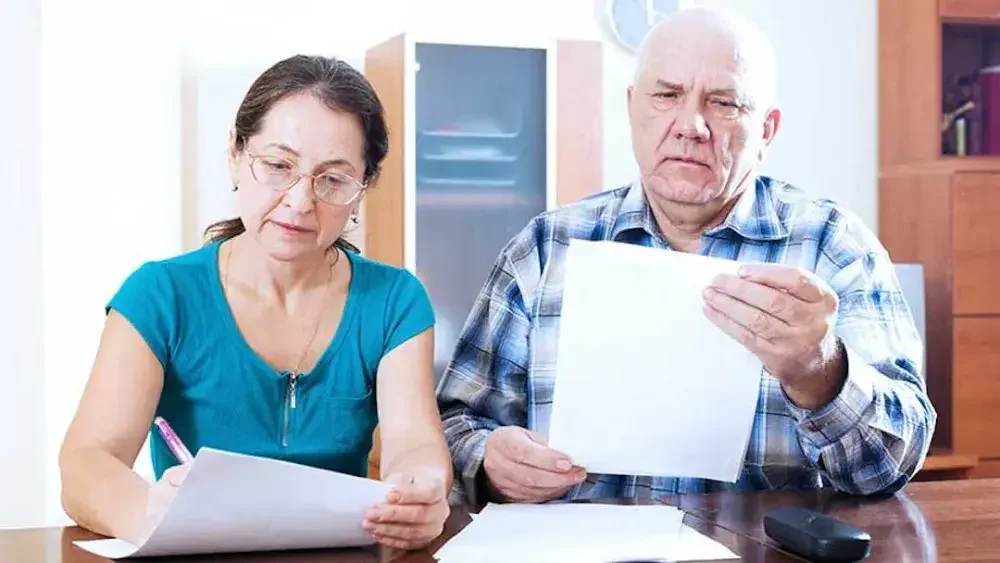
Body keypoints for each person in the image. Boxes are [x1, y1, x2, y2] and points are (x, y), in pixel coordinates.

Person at [437, 7, 936, 505]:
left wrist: (819, 371)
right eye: (666, 95)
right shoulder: (546, 247)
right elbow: (455, 425)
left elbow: (893, 465)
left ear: (767, 129)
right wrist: (489, 461)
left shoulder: (832, 244)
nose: (690, 125)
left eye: (723, 103)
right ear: (632, 106)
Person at [59, 55, 451, 551]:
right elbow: (87, 463)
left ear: (363, 186)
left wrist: (420, 493)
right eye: (278, 166)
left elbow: (413, 444)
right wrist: (149, 511)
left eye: (333, 179)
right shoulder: (160, 296)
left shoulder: (395, 301)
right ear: (236, 154)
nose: (299, 201)